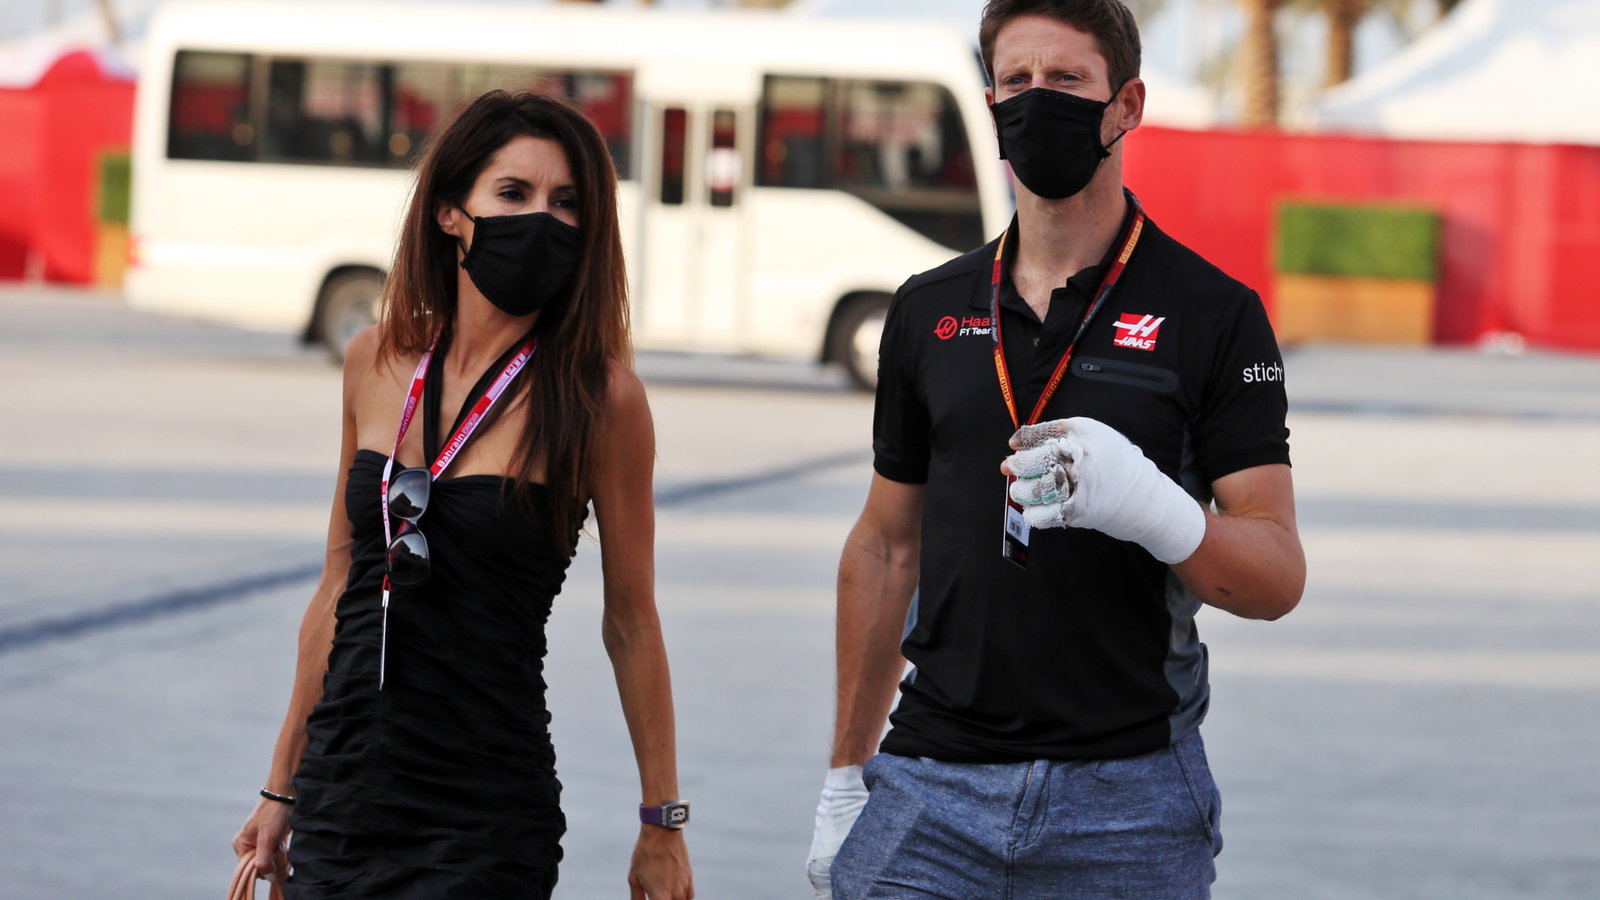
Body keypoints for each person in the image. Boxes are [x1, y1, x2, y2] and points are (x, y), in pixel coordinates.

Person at [806, 1, 1306, 897]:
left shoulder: (1213, 314)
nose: (1039, 102)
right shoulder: (925, 308)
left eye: (1068, 80)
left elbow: (1274, 577)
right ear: (991, 96)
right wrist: (846, 774)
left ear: (1128, 103)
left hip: (1129, 800)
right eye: (1017, 81)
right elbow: (886, 545)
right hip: (931, 783)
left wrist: (1155, 507)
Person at [231, 91, 694, 899]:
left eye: (566, 203)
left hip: (482, 810)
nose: (542, 220)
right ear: (451, 211)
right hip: (343, 786)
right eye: (513, 194)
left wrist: (664, 822)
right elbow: (339, 588)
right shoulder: (374, 361)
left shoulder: (601, 399)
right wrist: (281, 788)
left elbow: (632, 619)